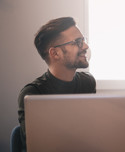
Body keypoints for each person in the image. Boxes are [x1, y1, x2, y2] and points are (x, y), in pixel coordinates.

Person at [17, 17, 96, 150]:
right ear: (55, 53)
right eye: (77, 42)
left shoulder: (87, 82)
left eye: (83, 40)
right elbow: (36, 147)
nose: (85, 46)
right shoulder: (33, 94)